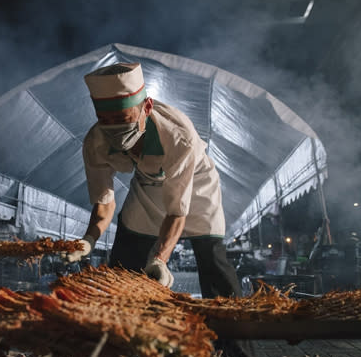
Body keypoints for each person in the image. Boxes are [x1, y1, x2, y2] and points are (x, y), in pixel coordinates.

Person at [61, 62, 240, 299]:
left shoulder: (177, 136)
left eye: (122, 117)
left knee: (211, 256)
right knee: (126, 259)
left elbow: (177, 211)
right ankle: (121, 323)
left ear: (146, 107)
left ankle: (233, 330)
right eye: (104, 119)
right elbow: (104, 203)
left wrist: (160, 259)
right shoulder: (96, 142)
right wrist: (88, 240)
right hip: (147, 181)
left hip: (196, 183)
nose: (114, 128)